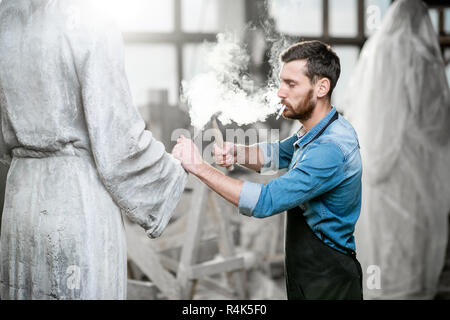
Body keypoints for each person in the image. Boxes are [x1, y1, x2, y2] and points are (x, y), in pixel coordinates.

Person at [0, 0, 186, 299]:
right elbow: (117, 138)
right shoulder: (87, 17)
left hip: (19, 200)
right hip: (74, 200)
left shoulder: (5, 18)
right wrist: (171, 171)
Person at [173, 40, 363, 300]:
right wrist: (236, 151)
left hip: (329, 281)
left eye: (291, 84)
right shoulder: (317, 130)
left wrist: (198, 166)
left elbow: (265, 201)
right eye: (282, 82)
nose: (280, 93)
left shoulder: (330, 149)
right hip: (308, 273)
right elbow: (277, 154)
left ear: (321, 87)